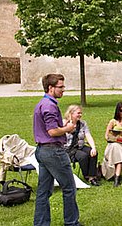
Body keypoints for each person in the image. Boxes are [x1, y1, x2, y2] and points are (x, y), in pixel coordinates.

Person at [33, 74, 80, 226]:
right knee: (69, 188)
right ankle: (71, 222)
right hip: (53, 152)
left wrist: (62, 125)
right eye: (60, 87)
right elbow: (52, 132)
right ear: (50, 88)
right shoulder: (50, 106)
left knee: (43, 192)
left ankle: (40, 223)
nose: (63, 90)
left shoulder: (42, 103)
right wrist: (68, 128)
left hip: (42, 151)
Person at [64, 104, 100, 186]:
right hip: (68, 148)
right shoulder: (64, 123)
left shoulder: (83, 124)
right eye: (78, 113)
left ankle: (92, 177)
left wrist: (93, 147)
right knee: (83, 156)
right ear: (71, 113)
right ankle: (86, 175)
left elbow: (88, 135)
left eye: (81, 113)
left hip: (80, 146)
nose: (80, 115)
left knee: (93, 153)